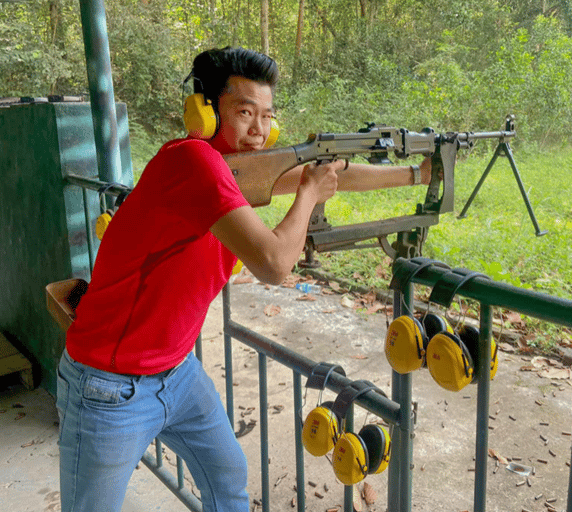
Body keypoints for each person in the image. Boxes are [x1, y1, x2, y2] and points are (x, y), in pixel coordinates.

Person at [56, 46, 431, 512]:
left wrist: (415, 173)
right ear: (206, 113)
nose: (259, 129)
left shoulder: (235, 170)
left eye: (267, 116)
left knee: (228, 479)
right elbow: (275, 264)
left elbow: (326, 173)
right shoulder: (193, 160)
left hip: (177, 372)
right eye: (244, 112)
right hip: (110, 386)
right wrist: (311, 195)